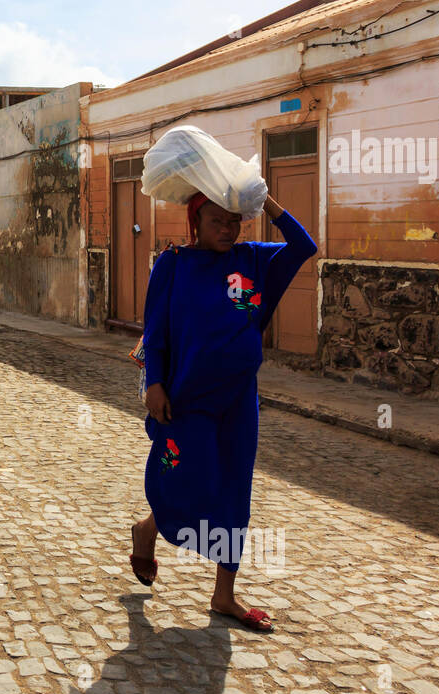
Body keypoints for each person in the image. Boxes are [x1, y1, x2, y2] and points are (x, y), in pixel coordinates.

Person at [129, 190, 316, 632]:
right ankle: (148, 529)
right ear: (196, 221)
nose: (228, 230)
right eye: (218, 221)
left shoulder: (253, 259)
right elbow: (154, 329)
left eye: (235, 220)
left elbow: (304, 246)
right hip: (186, 398)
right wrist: (154, 382)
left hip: (238, 401)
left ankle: (223, 594)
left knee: (233, 490)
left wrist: (267, 200)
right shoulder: (173, 264)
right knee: (183, 478)